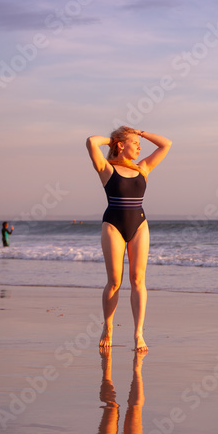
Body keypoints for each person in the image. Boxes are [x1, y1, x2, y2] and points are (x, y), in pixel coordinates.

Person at [86, 126, 172, 351]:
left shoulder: (143, 167)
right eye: (135, 143)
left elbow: (166, 144)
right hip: (113, 225)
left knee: (138, 279)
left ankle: (138, 333)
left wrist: (140, 133)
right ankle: (108, 326)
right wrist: (113, 140)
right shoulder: (106, 168)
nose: (140, 147)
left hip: (139, 225)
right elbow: (91, 142)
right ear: (121, 145)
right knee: (115, 282)